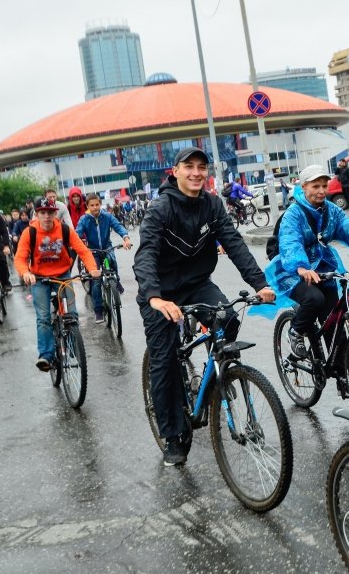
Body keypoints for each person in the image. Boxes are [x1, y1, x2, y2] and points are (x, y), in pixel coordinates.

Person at [134, 146, 275, 467]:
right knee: (165, 359)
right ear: (176, 171)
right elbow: (145, 256)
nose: (196, 172)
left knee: (228, 318)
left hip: (197, 284)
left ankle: (220, 376)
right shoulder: (160, 209)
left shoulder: (212, 204)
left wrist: (260, 284)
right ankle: (172, 434)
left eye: (202, 166)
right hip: (161, 291)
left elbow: (234, 242)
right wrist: (155, 297)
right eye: (189, 166)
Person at [265, 164, 349, 358]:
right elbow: (290, 242)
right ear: (303, 187)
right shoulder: (293, 214)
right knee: (314, 299)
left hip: (321, 269)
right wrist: (300, 267)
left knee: (335, 323)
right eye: (315, 186)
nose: (321, 191)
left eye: (324, 186)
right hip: (292, 271)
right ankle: (296, 331)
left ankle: (341, 378)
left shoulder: (332, 211)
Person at [15, 198, 100, 371]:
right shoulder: (29, 232)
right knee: (44, 318)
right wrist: (25, 273)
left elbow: (83, 251)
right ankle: (46, 356)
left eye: (50, 212)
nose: (46, 216)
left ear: (55, 213)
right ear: (37, 214)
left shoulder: (64, 230)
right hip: (39, 279)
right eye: (42, 213)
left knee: (72, 315)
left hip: (62, 274)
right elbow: (20, 258)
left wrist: (92, 269)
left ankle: (72, 347)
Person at [76, 193, 132, 323]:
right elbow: (77, 234)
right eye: (92, 205)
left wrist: (126, 238)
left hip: (107, 246)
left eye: (97, 204)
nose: (95, 207)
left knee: (112, 261)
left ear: (100, 204)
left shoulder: (107, 216)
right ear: (87, 206)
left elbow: (118, 226)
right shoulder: (84, 219)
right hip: (93, 251)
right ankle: (99, 311)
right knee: (95, 281)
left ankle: (116, 281)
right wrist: (79, 242)